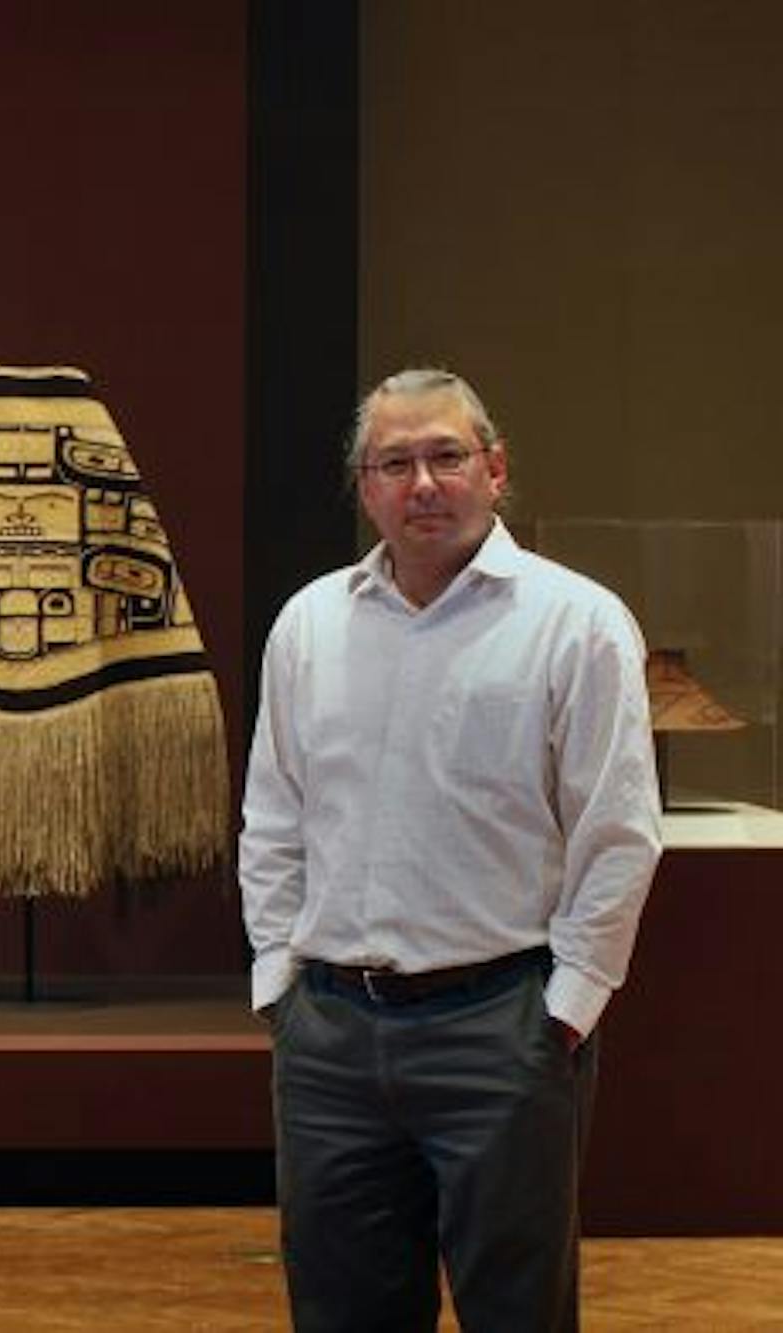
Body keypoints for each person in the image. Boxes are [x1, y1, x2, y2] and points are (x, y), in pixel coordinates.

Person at [240, 368, 661, 1330]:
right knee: (339, 1306)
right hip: (333, 1036)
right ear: (365, 485)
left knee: (517, 1308)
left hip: (502, 1030)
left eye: (446, 456)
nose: (423, 482)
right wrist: (281, 980)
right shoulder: (310, 623)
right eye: (395, 462)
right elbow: (275, 815)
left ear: (495, 469)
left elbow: (618, 831)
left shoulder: (577, 622)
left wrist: (567, 1009)